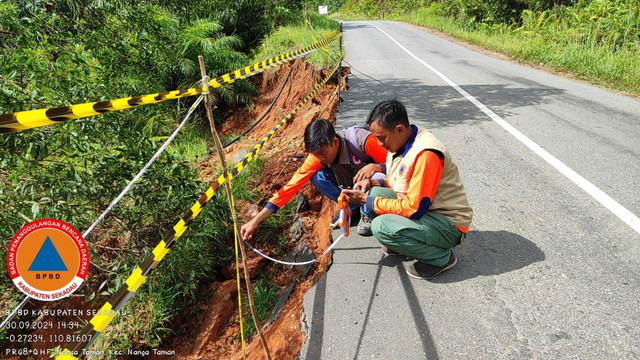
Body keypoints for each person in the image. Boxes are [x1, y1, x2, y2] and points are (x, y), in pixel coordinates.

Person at [342, 100, 473, 279]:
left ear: (400, 129)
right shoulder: (400, 144)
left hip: (449, 222)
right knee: (374, 193)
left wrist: (365, 200)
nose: (379, 144)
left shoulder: (426, 154)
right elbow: (400, 182)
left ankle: (442, 258)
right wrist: (372, 183)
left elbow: (414, 208)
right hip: (429, 210)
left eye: (381, 138)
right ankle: (403, 241)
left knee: (380, 226)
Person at [240, 118, 388, 241]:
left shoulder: (362, 141)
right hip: (352, 182)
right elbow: (289, 188)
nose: (320, 158)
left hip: (375, 181)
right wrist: (255, 221)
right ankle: (352, 208)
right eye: (315, 154)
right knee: (318, 177)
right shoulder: (316, 157)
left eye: (323, 153)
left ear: (335, 142)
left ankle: (367, 213)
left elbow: (400, 164)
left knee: (375, 175)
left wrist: (378, 167)